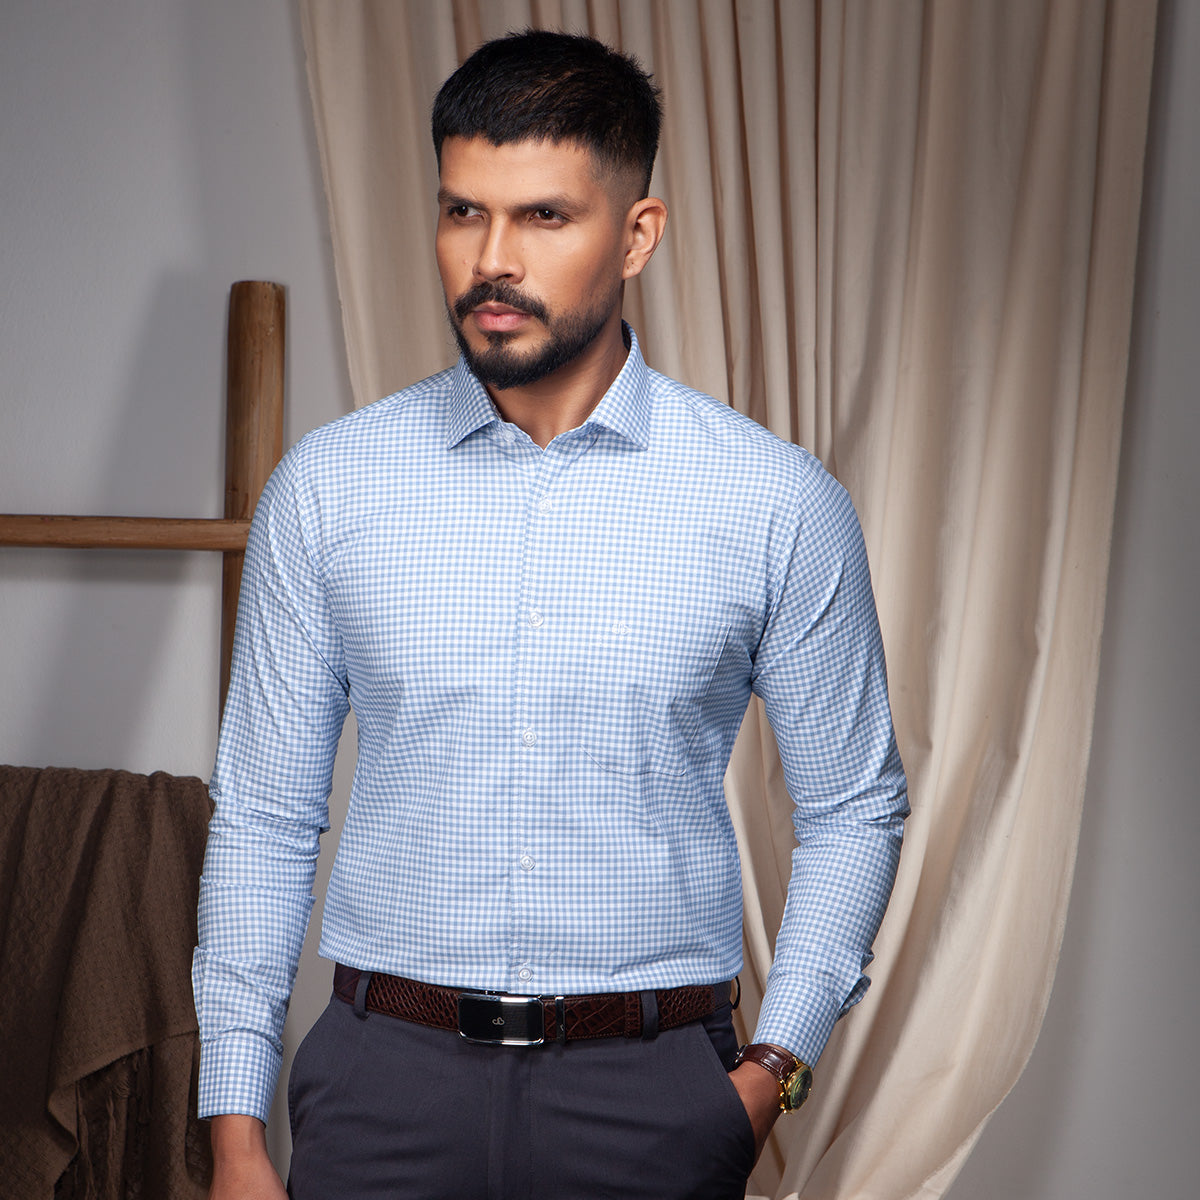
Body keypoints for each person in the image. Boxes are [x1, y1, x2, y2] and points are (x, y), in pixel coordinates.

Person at [194, 29, 908, 1200]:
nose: (491, 260)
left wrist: (772, 1073)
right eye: (463, 212)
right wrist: (232, 1129)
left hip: (654, 1097)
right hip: (382, 1087)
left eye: (543, 218)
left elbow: (852, 809)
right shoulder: (327, 490)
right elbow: (267, 815)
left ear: (638, 234)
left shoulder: (774, 502)